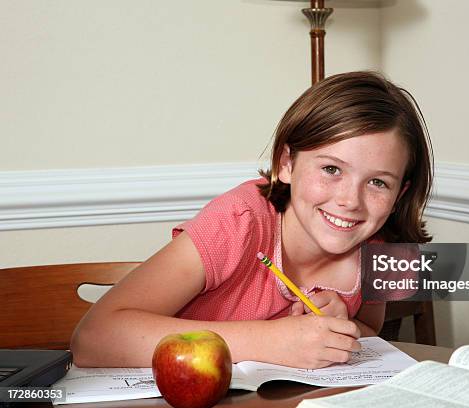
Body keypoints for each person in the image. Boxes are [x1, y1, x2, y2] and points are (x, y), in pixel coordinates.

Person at [70, 71, 433, 369]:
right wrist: (271, 341)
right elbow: (93, 338)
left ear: (400, 193)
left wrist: (343, 326)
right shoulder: (237, 223)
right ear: (285, 163)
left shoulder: (383, 244)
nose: (349, 201)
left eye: (377, 182)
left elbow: (370, 329)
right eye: (330, 168)